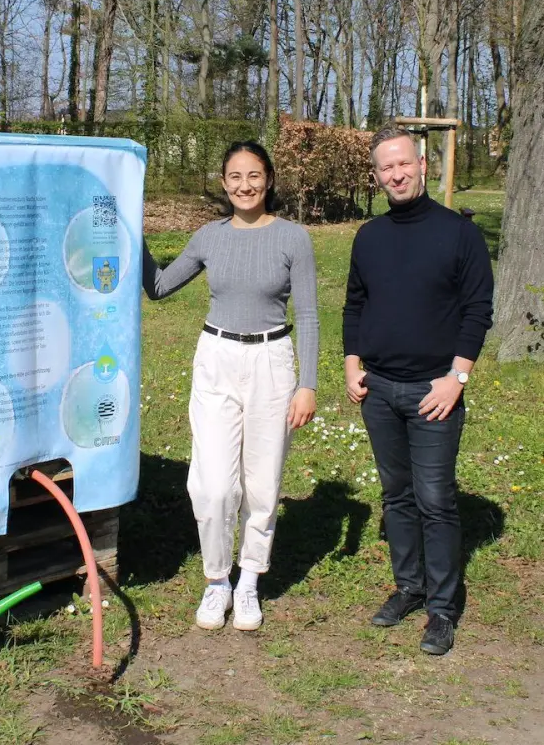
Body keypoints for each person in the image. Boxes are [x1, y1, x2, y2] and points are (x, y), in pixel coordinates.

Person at [142, 141, 319, 632]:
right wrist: (131, 233)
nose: (245, 185)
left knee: (262, 483)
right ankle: (216, 579)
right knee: (214, 484)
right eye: (236, 176)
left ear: (269, 180)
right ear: (224, 183)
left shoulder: (293, 238)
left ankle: (248, 582)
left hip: (272, 361)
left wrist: (308, 383)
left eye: (255, 175)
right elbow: (157, 287)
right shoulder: (208, 237)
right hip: (217, 359)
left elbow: (306, 312)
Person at [343, 126, 493, 656]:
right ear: (377, 175)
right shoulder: (370, 236)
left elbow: (478, 311)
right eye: (386, 168)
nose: (396, 174)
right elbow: (355, 304)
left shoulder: (459, 234)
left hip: (435, 390)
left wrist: (457, 378)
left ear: (423, 164)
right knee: (396, 495)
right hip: (379, 389)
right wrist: (351, 362)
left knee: (435, 498)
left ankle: (443, 608)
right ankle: (409, 586)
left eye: (403, 164)